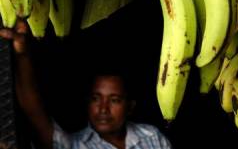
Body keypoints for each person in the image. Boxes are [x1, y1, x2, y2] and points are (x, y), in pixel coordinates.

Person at [0, 20, 173, 149]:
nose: (103, 109)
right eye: (96, 98)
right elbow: (33, 110)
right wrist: (22, 54)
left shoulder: (152, 137)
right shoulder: (74, 145)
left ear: (130, 106)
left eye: (114, 100)